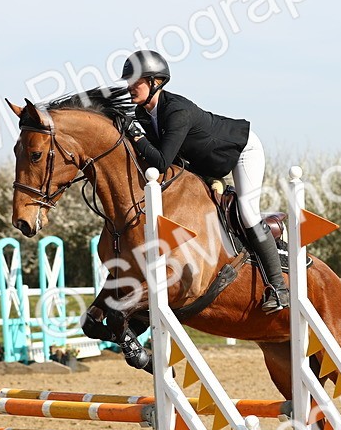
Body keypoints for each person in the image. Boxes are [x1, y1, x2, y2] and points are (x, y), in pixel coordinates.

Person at [120, 50, 289, 313]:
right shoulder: (142, 114)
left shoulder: (176, 111)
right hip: (205, 165)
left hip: (241, 150)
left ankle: (279, 288)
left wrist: (137, 137)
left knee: (247, 212)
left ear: (155, 82)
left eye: (136, 81)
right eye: (128, 82)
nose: (130, 87)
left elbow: (161, 162)